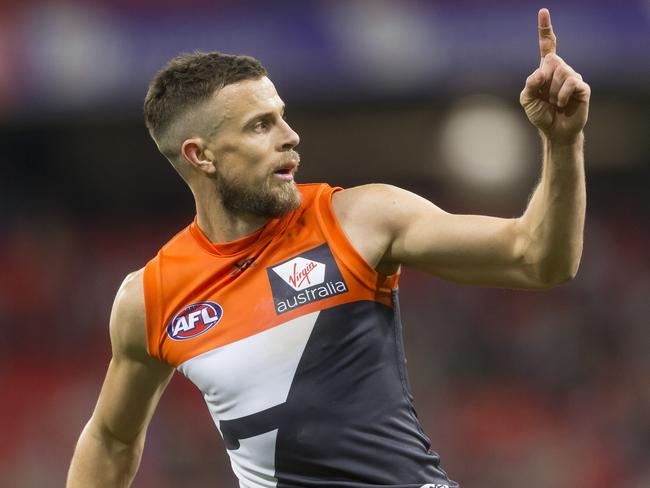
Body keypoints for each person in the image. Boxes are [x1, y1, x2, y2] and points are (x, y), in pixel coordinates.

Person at [67, 8, 589, 488]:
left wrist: (562, 144)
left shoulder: (359, 219)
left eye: (282, 115)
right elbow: (110, 439)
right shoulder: (150, 298)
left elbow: (539, 258)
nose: (290, 136)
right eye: (261, 125)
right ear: (200, 156)